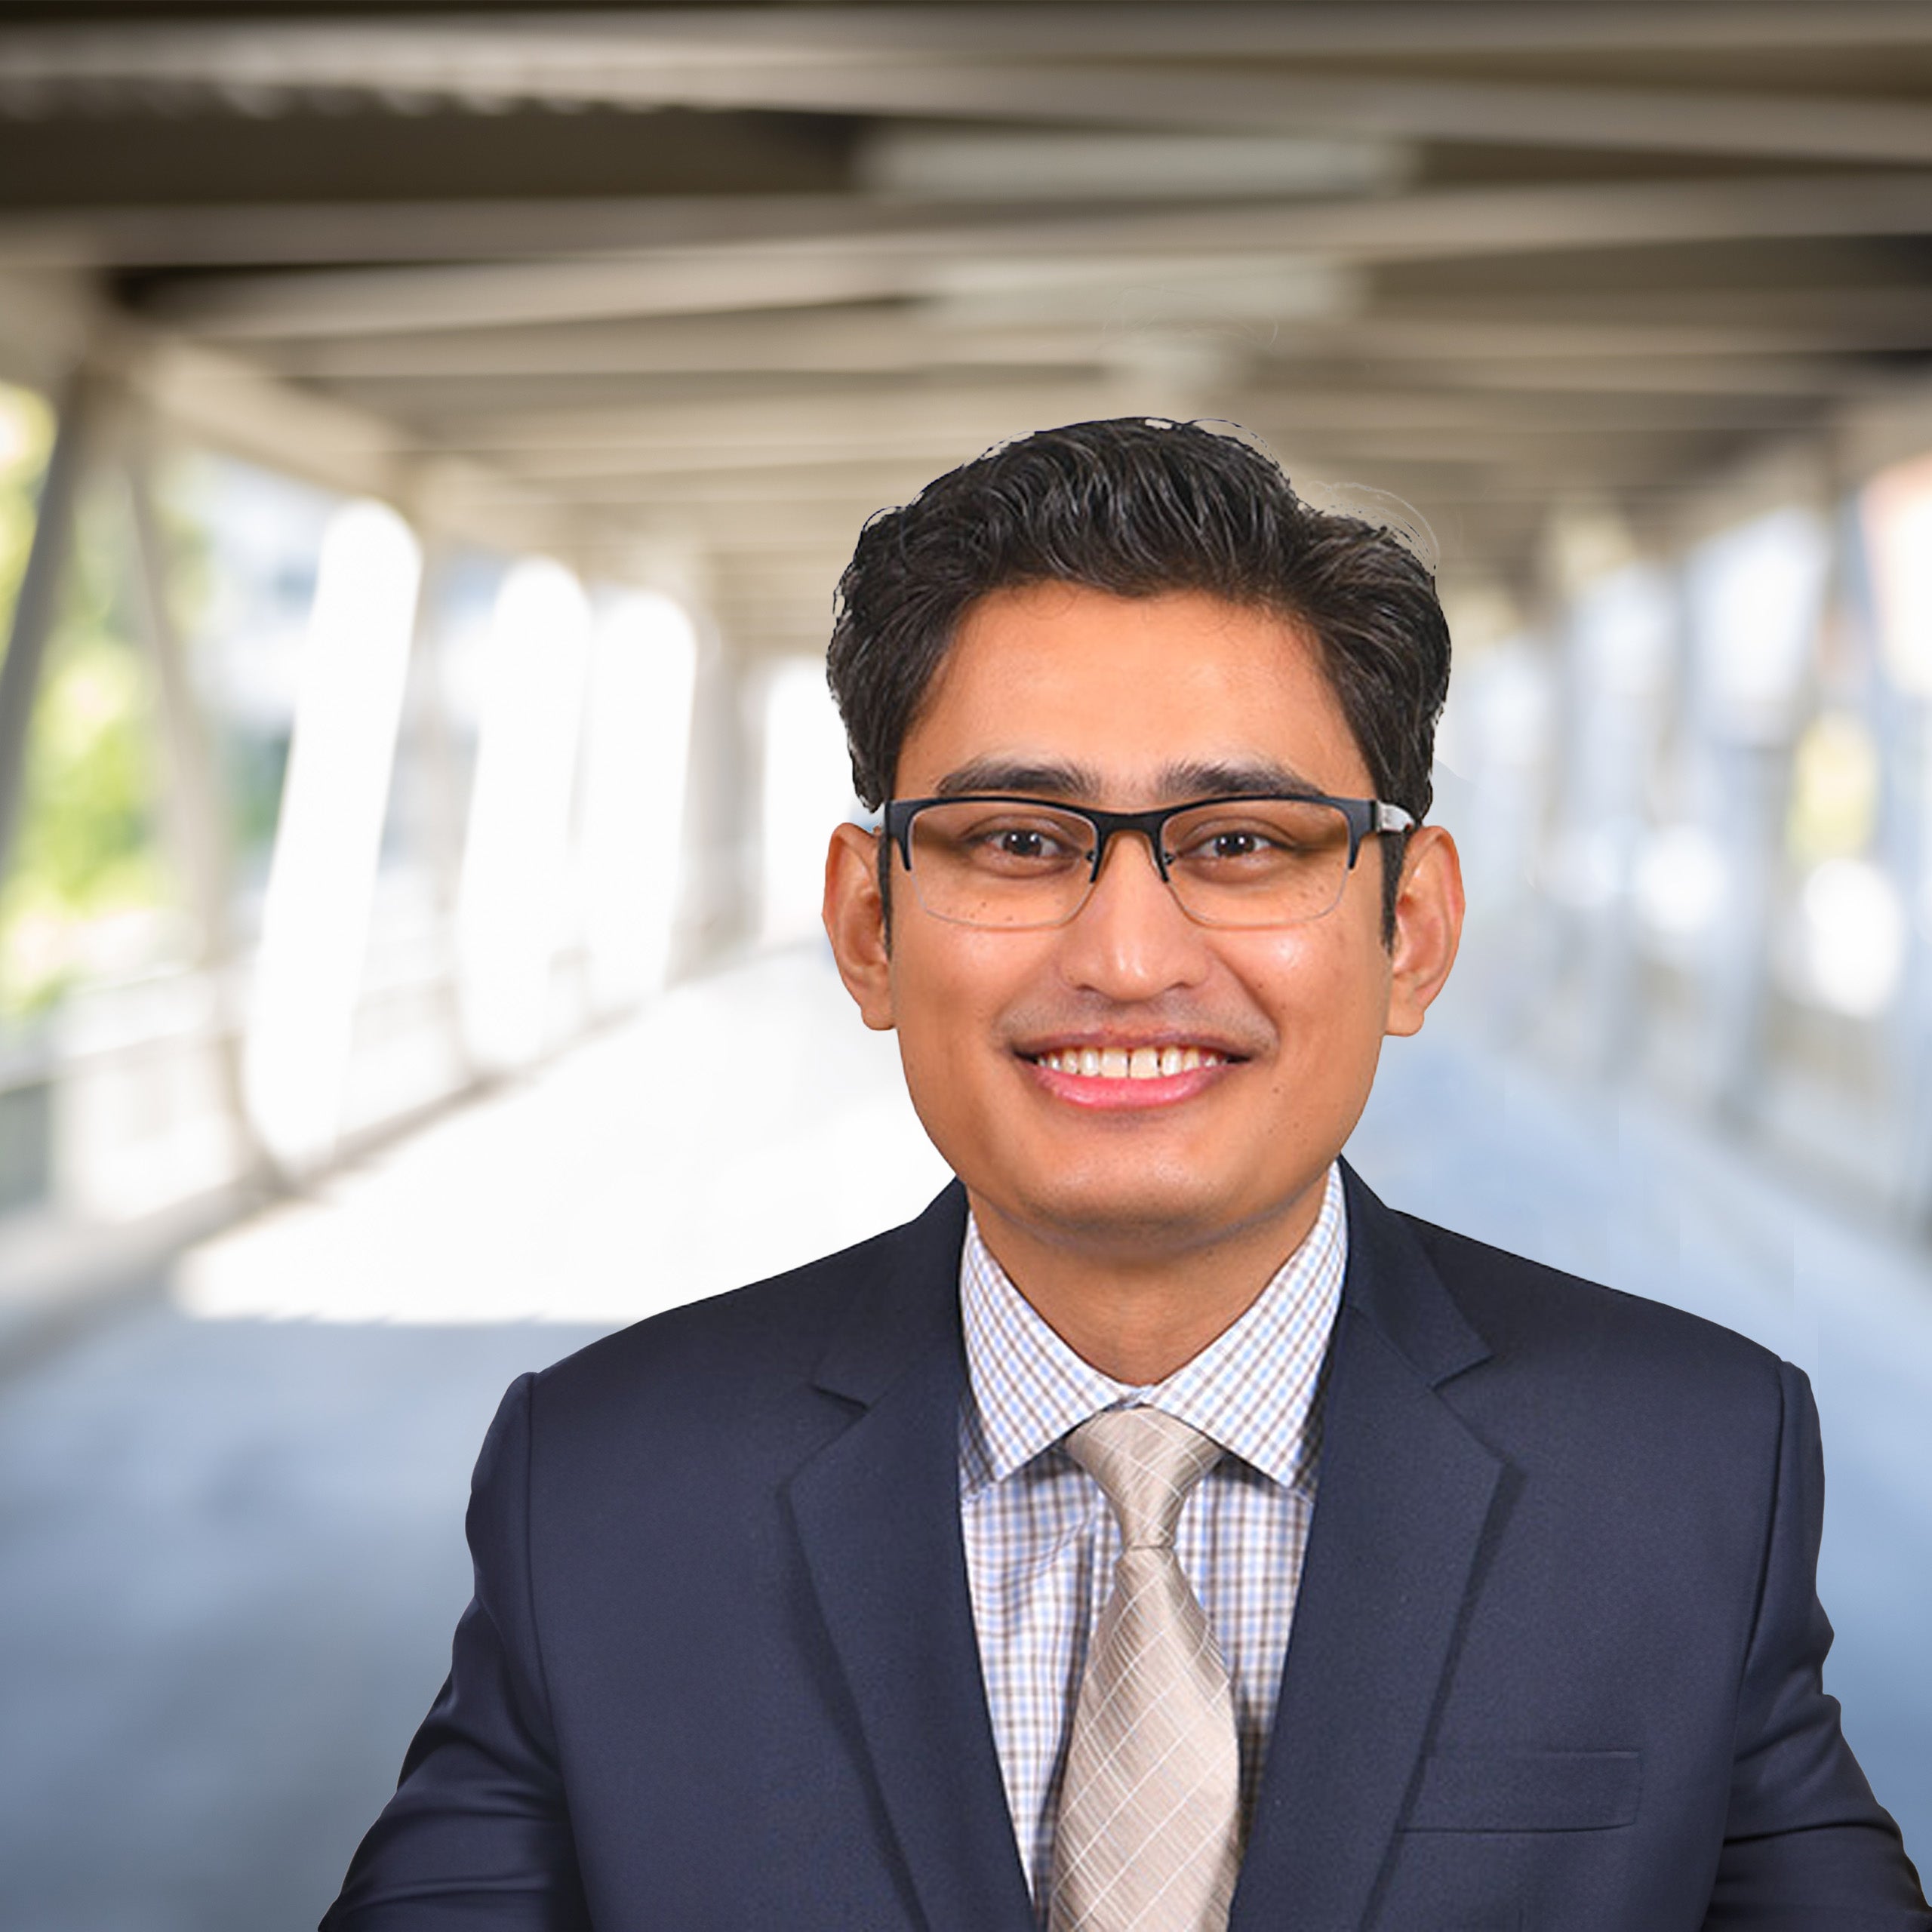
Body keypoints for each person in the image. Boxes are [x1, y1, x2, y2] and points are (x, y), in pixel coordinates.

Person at [322, 419, 1928, 1930]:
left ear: (1411, 930)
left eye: (1239, 841)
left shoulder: (1687, 1467)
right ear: (868, 925)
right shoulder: (600, 1487)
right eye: (1017, 837)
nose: (1127, 953)